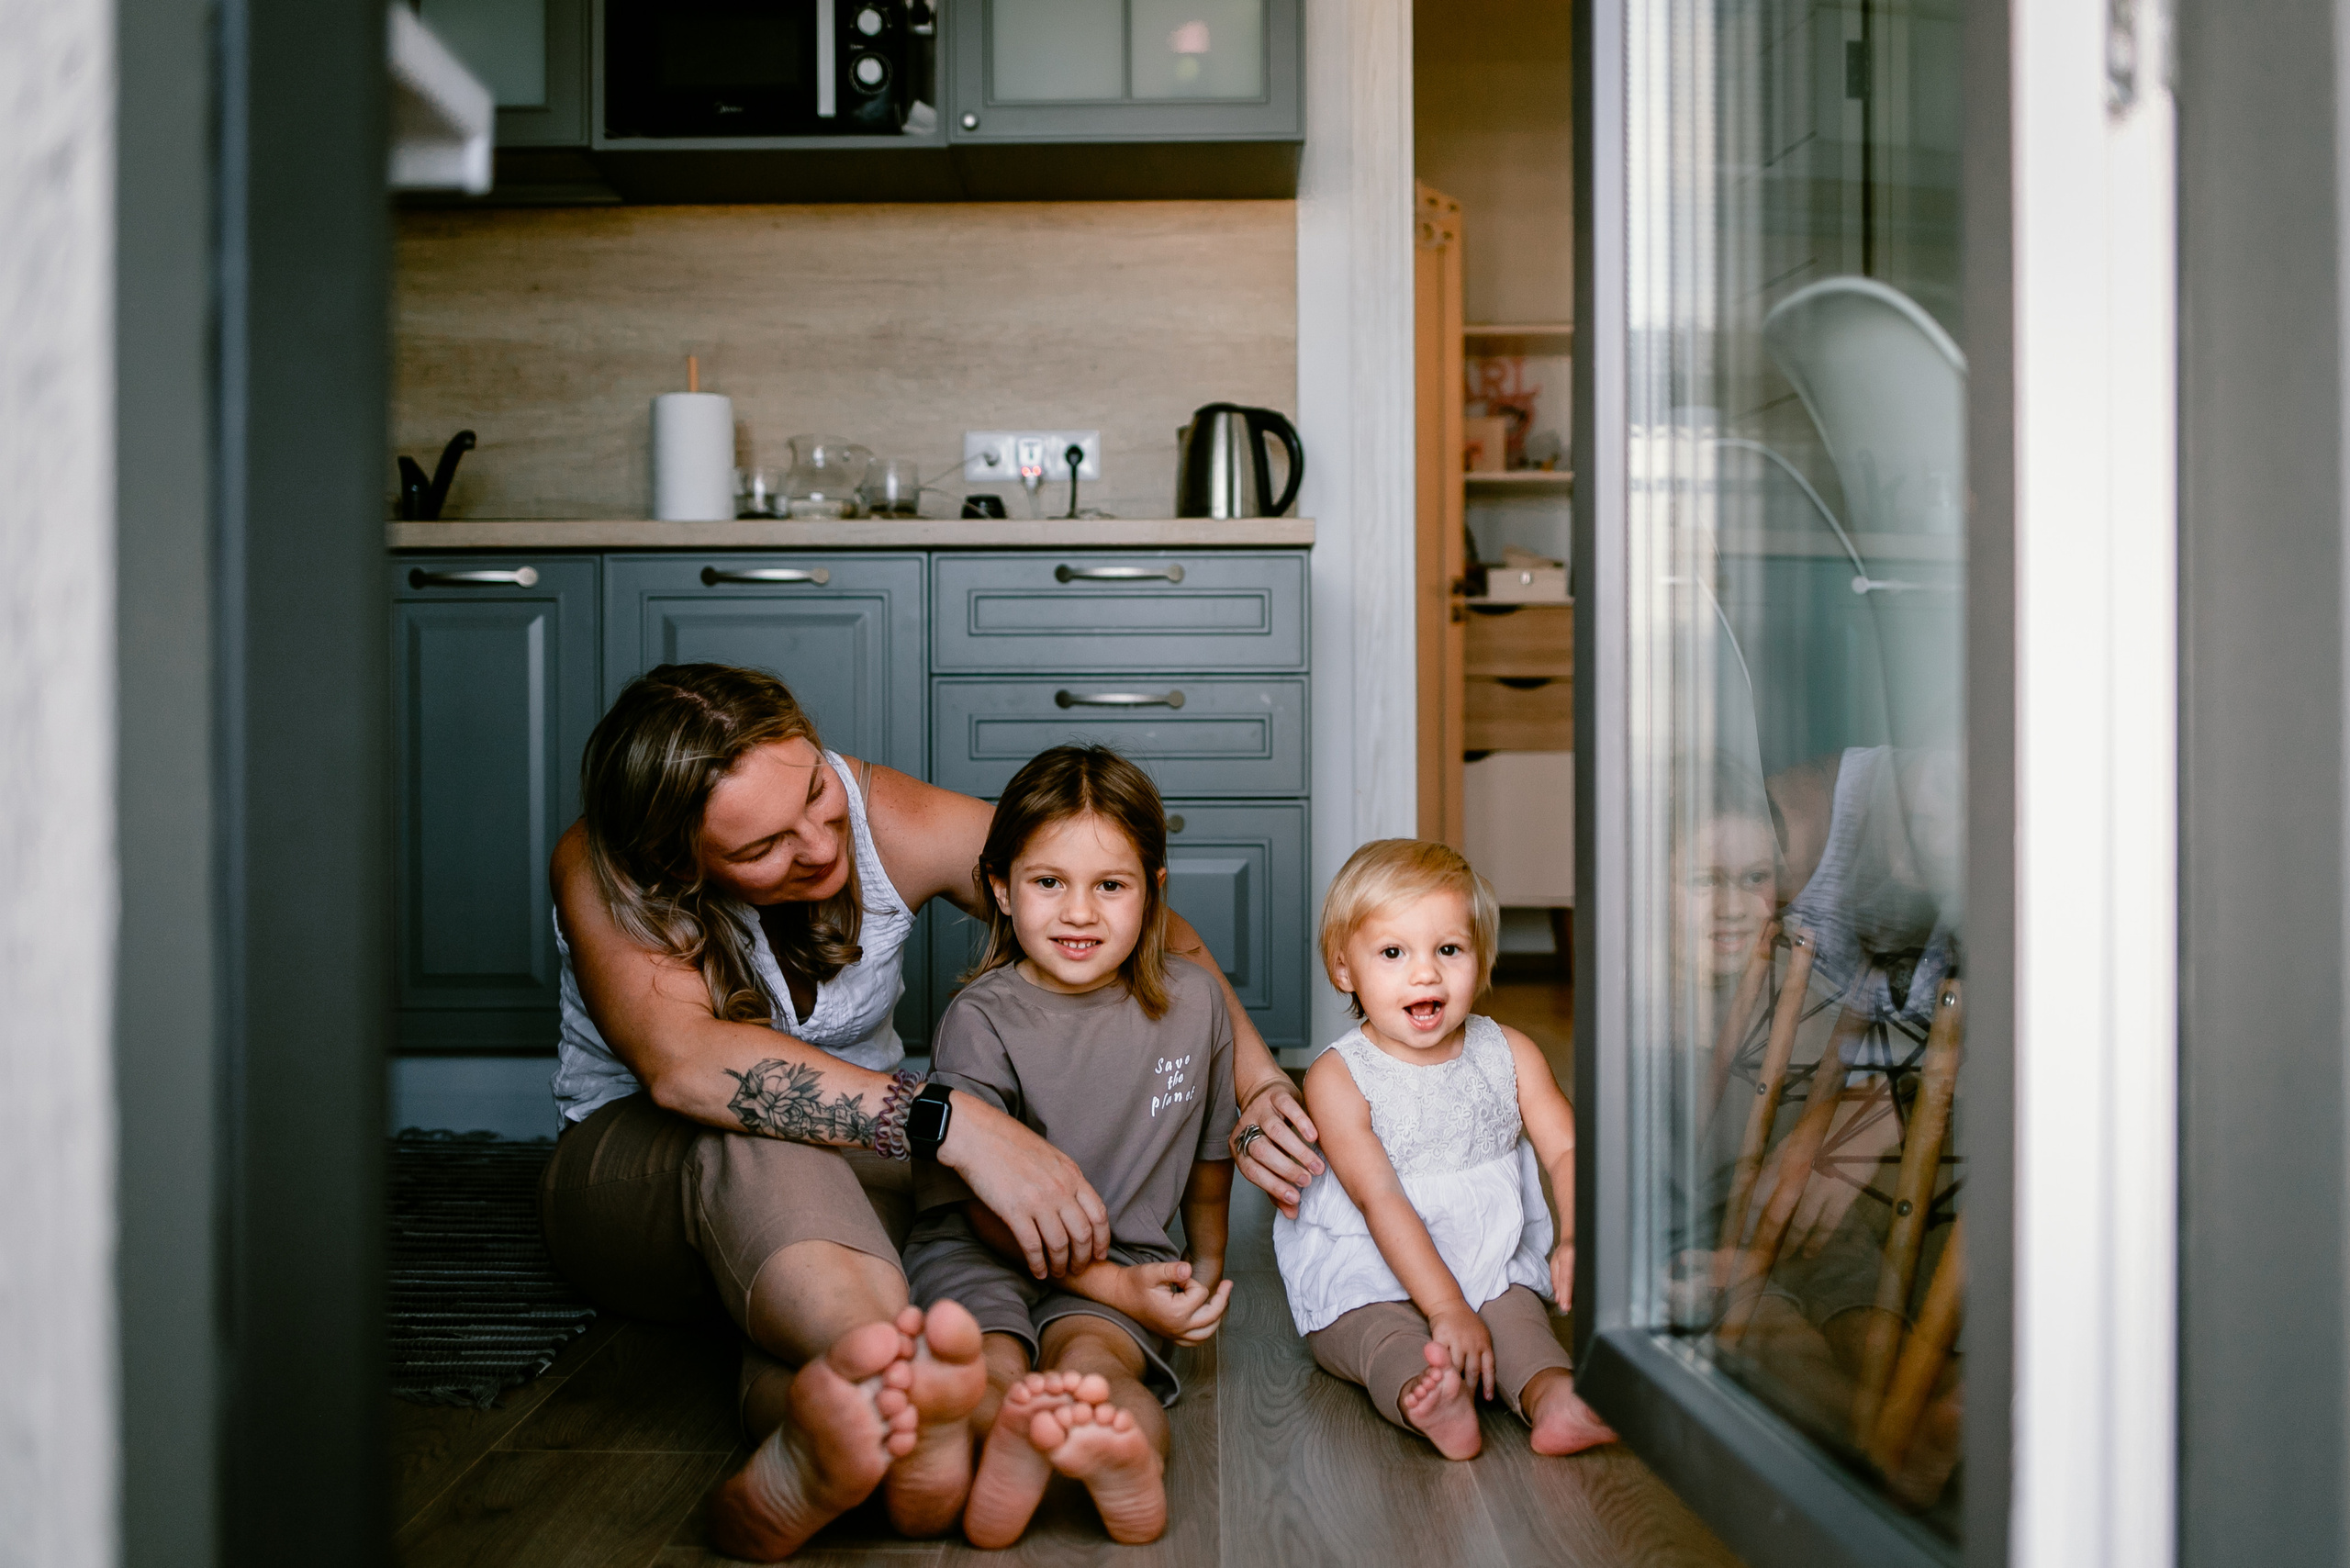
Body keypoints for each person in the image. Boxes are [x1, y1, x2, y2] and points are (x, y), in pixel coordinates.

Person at [533, 666, 1317, 1560]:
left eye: (818, 792)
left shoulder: (884, 816)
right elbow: (689, 1066)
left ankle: (841, 1427)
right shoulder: (603, 860)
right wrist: (963, 1124)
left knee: (858, 1300)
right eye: (763, 848)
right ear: (678, 860)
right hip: (642, 1175)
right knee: (759, 1133)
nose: (822, 842)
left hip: (865, 1172)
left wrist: (1256, 1083)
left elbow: (1135, 917)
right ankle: (898, 1368)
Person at [901, 745, 1235, 1547]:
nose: (1079, 913)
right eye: (1049, 883)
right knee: (990, 1366)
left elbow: (1209, 1161)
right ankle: (983, 1445)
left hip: (1120, 1260)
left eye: (1109, 886)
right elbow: (981, 1206)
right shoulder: (980, 1018)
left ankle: (1123, 1463)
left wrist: (1207, 1269)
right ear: (1000, 891)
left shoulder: (1195, 1002)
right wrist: (1124, 1294)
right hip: (979, 1250)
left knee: (1099, 1375)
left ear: (1152, 894)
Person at [1272, 839, 1617, 1460]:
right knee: (1374, 1335)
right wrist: (1445, 1307)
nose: (1425, 972)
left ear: (1482, 958)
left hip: (1483, 1256)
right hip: (1369, 1266)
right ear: (1344, 969)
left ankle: (1554, 1398)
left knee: (1518, 1322)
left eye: (1449, 950)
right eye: (1393, 952)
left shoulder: (1510, 1052)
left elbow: (1566, 1148)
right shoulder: (1338, 1076)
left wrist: (1573, 1238)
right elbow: (1377, 1199)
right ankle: (1426, 1398)